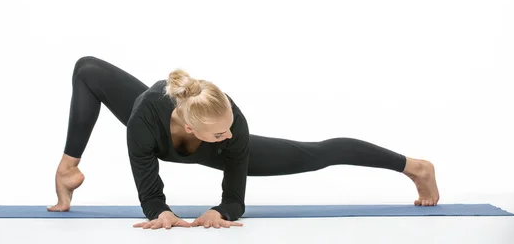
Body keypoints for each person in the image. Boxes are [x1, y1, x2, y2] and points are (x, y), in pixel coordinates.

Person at [47, 56, 440, 229]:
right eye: (220, 133)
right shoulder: (143, 123)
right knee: (88, 68)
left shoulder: (232, 130)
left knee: (317, 153)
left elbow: (235, 197)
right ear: (189, 128)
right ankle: (67, 170)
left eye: (230, 125)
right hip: (153, 119)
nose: (230, 136)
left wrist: (223, 212)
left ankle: (414, 166)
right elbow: (150, 192)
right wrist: (160, 212)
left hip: (189, 136)